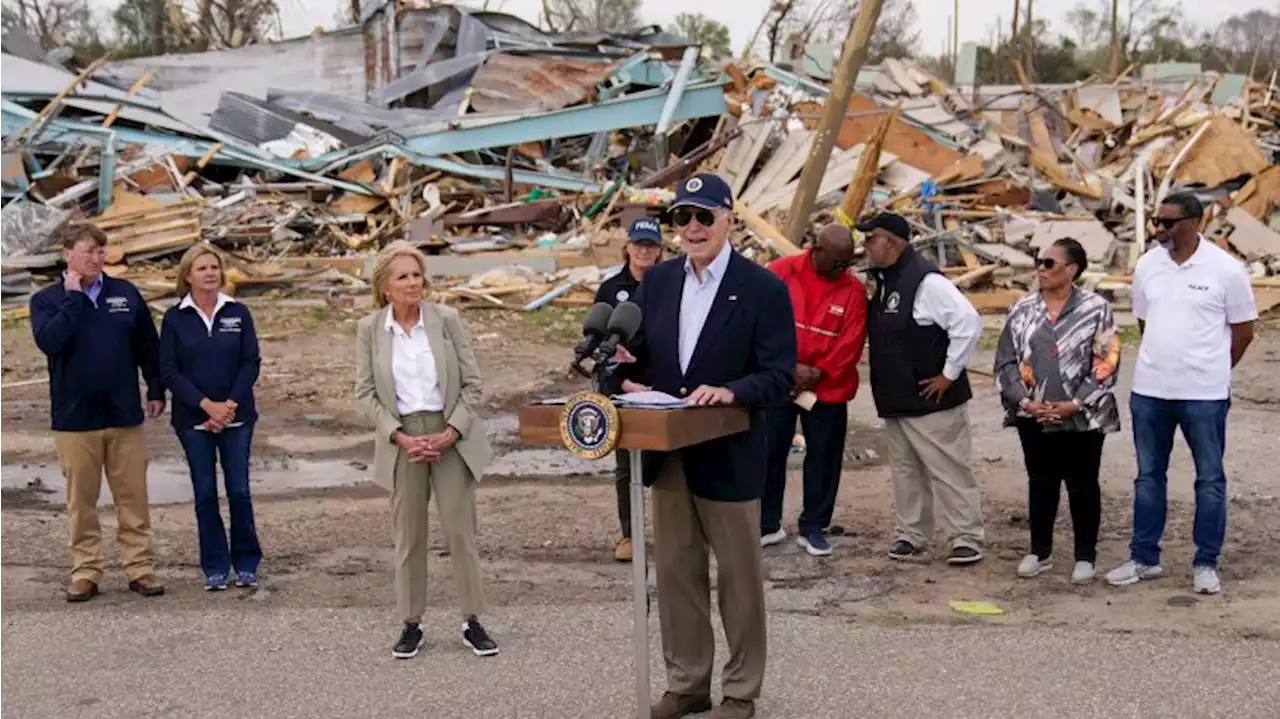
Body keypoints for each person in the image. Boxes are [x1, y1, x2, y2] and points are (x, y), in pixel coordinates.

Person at [618, 173, 795, 719]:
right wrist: (627, 376)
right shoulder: (661, 282)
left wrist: (731, 390)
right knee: (676, 575)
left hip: (730, 453)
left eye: (703, 216)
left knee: (739, 584)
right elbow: (641, 354)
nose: (692, 228)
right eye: (682, 218)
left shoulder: (762, 287)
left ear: (728, 218)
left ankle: (740, 692)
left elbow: (780, 375)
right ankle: (687, 682)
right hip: (669, 454)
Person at [354, 241, 499, 659]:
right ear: (385, 285)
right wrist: (397, 434)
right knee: (409, 537)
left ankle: (473, 621)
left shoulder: (447, 320)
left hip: (450, 433)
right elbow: (364, 393)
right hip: (402, 440)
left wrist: (451, 431)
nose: (413, 283)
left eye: (417, 274)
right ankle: (411, 623)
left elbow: (473, 383)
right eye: (403, 276)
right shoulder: (370, 329)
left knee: (460, 533)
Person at [1106, 193, 1257, 595]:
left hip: (1204, 394)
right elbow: (1144, 320)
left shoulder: (1226, 270)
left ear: (1195, 221)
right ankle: (1144, 558)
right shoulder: (1147, 266)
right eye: (1157, 221)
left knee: (1209, 479)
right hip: (1150, 390)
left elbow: (1244, 332)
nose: (1160, 229)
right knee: (1148, 478)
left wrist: (1213, 370)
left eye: (1169, 223)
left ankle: (1205, 562)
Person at [29, 224, 166, 601]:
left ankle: (140, 568)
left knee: (133, 498)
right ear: (67, 253)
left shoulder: (124, 294)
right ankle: (86, 571)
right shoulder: (47, 300)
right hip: (75, 419)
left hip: (123, 413)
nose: (96, 258)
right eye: (89, 251)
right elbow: (50, 342)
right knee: (82, 502)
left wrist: (155, 389)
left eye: (101, 252)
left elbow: (147, 347)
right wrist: (73, 298)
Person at [859, 212, 985, 566]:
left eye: (871, 238)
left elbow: (968, 323)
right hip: (897, 398)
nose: (866, 246)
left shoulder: (926, 281)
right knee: (905, 470)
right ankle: (912, 534)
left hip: (932, 399)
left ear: (893, 242)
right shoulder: (885, 279)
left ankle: (966, 536)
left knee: (948, 468)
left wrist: (949, 373)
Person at [994, 238, 1121, 584]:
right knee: (1041, 481)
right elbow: (1005, 360)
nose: (1041, 269)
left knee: (1082, 483)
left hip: (1081, 414)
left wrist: (1075, 403)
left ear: (1071, 270)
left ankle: (1085, 556)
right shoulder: (1022, 308)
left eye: (1049, 263)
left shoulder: (1096, 308)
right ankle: (1040, 551)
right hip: (1032, 414)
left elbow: (1107, 360)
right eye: (1039, 262)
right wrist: (1024, 401)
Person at [159, 245, 263, 591]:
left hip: (237, 417)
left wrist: (229, 404)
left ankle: (246, 563)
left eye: (214, 267)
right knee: (205, 493)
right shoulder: (175, 318)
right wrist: (207, 406)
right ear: (187, 275)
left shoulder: (238, 313)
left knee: (239, 491)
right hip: (193, 420)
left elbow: (251, 362)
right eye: (201, 268)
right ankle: (215, 567)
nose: (209, 273)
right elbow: (169, 372)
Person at [761, 224, 867, 556]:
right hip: (780, 380)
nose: (841, 270)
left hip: (827, 387)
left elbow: (851, 342)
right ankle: (767, 524)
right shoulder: (782, 272)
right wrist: (786, 367)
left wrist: (818, 373)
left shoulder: (853, 290)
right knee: (769, 453)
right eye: (836, 262)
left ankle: (814, 526)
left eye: (846, 263)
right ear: (816, 250)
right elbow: (761, 323)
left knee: (824, 456)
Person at [594, 216, 664, 563]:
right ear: (628, 247)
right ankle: (630, 534)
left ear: (660, 250)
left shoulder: (672, 285)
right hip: (622, 388)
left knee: (665, 463)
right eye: (639, 244)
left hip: (664, 387)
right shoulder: (610, 289)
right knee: (627, 466)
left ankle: (673, 531)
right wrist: (620, 383)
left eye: (650, 245)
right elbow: (598, 345)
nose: (644, 251)